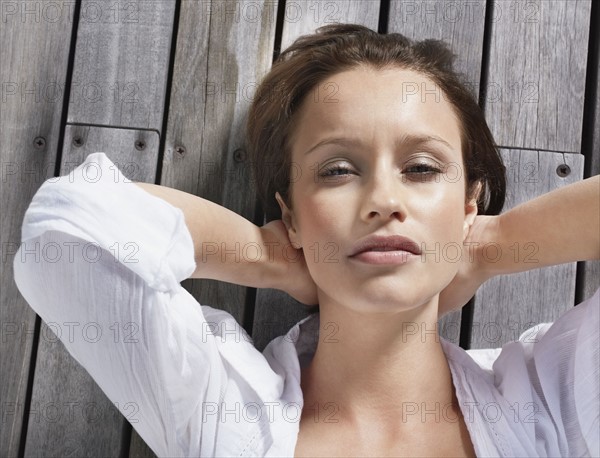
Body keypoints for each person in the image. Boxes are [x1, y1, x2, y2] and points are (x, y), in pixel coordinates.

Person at [13, 24, 599, 457]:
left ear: (468, 202)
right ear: (290, 216)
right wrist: (264, 256)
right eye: (337, 171)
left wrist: (491, 244)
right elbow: (66, 232)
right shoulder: (223, 413)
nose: (383, 201)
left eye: (421, 168)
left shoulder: (549, 398)